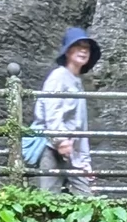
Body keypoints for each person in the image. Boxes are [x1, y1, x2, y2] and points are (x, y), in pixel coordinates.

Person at [28, 26, 100, 188]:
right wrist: (60, 141)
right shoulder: (58, 76)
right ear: (67, 51)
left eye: (86, 47)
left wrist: (85, 162)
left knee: (86, 200)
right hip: (52, 148)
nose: (83, 51)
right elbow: (51, 111)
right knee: (49, 200)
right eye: (78, 46)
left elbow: (81, 126)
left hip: (72, 153)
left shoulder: (76, 81)